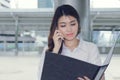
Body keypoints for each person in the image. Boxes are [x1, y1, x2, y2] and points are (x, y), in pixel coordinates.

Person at [38, 4, 105, 80]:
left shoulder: (91, 48)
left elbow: (101, 77)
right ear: (57, 28)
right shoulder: (49, 50)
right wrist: (55, 51)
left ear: (78, 24)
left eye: (72, 24)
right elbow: (42, 77)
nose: (69, 29)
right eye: (63, 25)